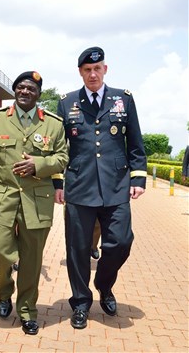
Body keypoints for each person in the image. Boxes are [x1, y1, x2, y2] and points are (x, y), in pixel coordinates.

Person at [0, 71, 68, 335]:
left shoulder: (54, 125)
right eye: (21, 87)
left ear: (38, 95)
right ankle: (4, 292)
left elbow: (62, 158)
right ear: (15, 90)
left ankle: (27, 310)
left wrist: (39, 164)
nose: (25, 92)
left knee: (32, 260)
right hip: (3, 196)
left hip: (37, 200)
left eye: (31, 89)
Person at [54, 47, 147, 329]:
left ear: (105, 69)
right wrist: (59, 183)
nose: (92, 74)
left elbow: (135, 142)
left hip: (116, 185)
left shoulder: (123, 99)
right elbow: (61, 147)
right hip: (80, 187)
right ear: (80, 72)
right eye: (86, 70)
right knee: (78, 249)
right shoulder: (67, 102)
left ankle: (104, 285)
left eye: (97, 69)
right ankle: (81, 302)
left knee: (120, 242)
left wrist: (138, 178)